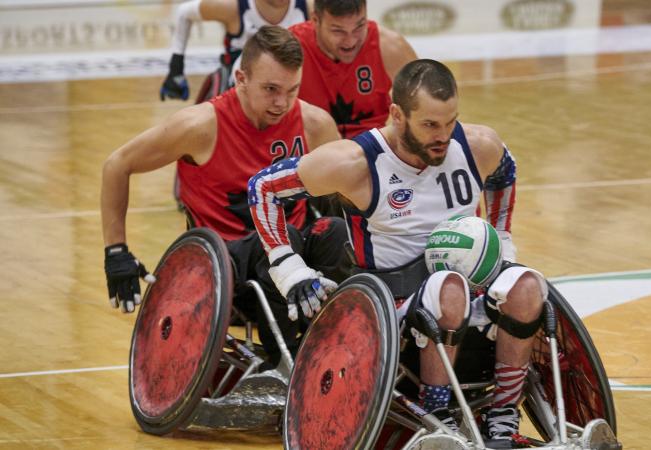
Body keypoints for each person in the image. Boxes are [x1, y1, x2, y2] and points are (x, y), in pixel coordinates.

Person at [248, 59, 547, 448]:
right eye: (429, 125)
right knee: (447, 288)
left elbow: (505, 173)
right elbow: (264, 187)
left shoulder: (478, 146)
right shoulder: (356, 162)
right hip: (392, 306)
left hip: (470, 290)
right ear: (397, 115)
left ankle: (503, 413)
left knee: (526, 285)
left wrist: (503, 239)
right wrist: (288, 268)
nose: (443, 136)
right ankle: (437, 413)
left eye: (450, 122)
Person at [103, 26, 349, 366]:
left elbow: (348, 194)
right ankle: (286, 358)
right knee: (282, 236)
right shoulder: (200, 126)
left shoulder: (315, 124)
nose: (282, 103)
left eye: (291, 90)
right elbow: (117, 164)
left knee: (336, 230)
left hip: (296, 264)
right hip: (226, 267)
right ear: (241, 78)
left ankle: (343, 346)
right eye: (270, 89)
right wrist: (116, 252)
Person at [289, 0, 417, 138]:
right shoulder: (291, 48)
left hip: (375, 148)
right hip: (313, 151)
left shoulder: (390, 46)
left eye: (359, 27)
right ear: (315, 20)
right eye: (338, 31)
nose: (350, 41)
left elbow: (424, 103)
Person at [160, 0, 309, 102]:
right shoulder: (232, 6)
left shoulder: (310, 7)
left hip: (293, 87)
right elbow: (184, 12)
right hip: (236, 88)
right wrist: (176, 66)